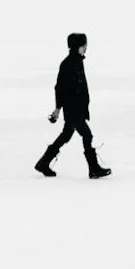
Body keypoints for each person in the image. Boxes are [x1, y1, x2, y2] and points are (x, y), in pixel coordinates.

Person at [35, 32, 111, 178]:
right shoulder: (68, 64)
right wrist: (58, 109)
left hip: (78, 108)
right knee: (87, 135)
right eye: (84, 45)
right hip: (73, 109)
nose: (86, 47)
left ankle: (43, 163)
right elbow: (59, 87)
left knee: (66, 135)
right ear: (78, 46)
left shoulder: (77, 61)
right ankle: (93, 169)